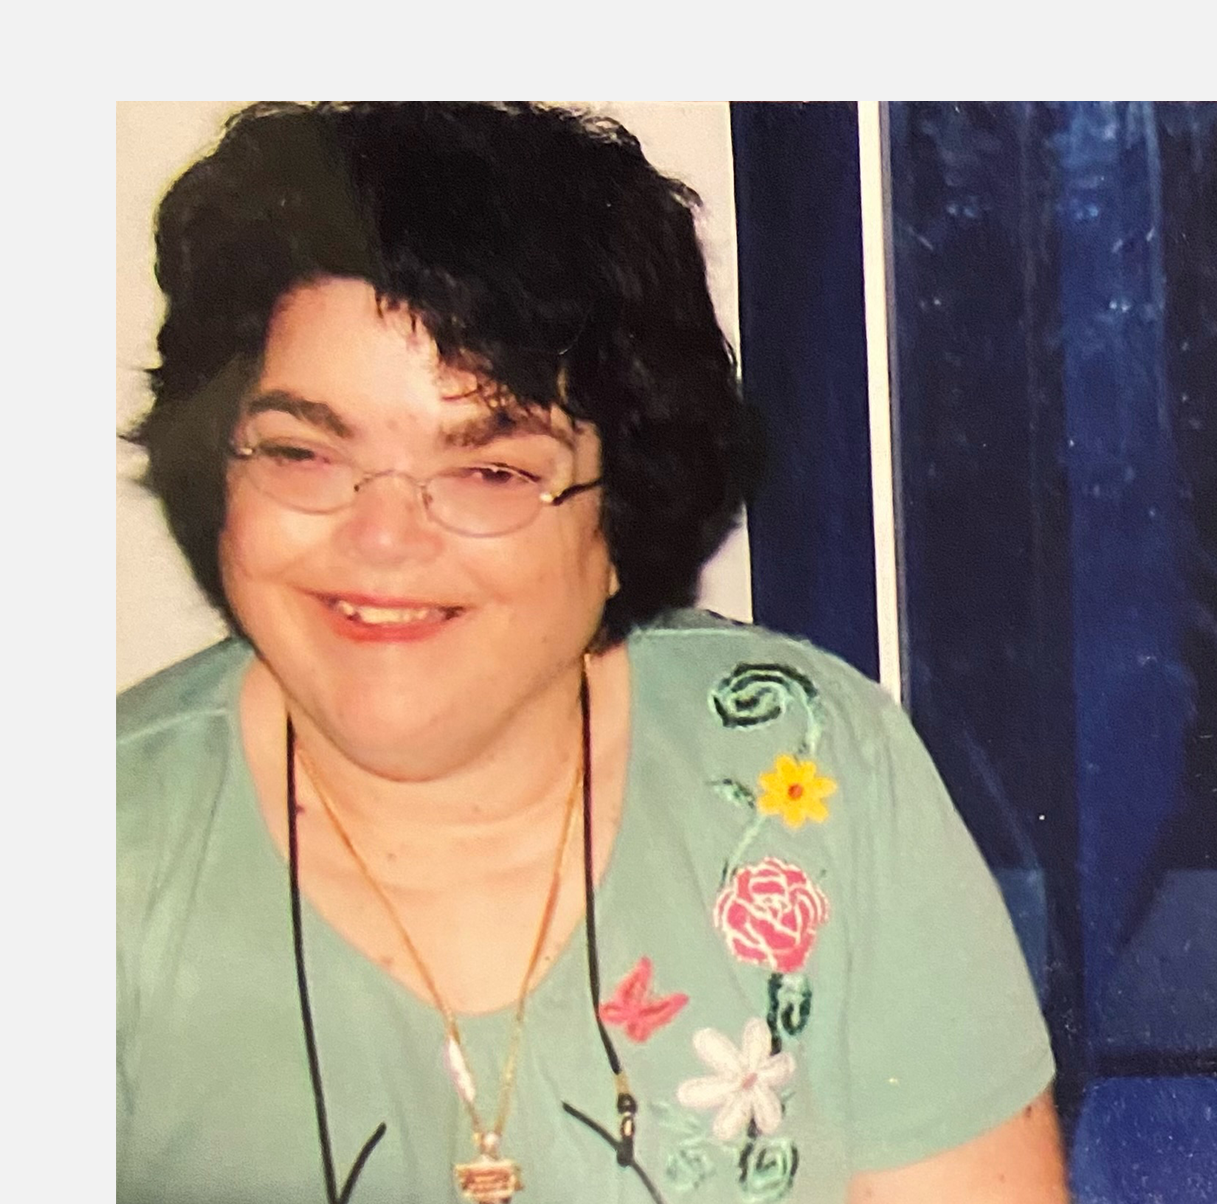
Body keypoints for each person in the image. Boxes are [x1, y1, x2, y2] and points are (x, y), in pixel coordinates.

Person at [117, 101, 1064, 1204]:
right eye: (302, 452)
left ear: (621, 513)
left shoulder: (810, 768)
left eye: (489, 471)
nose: (382, 540)